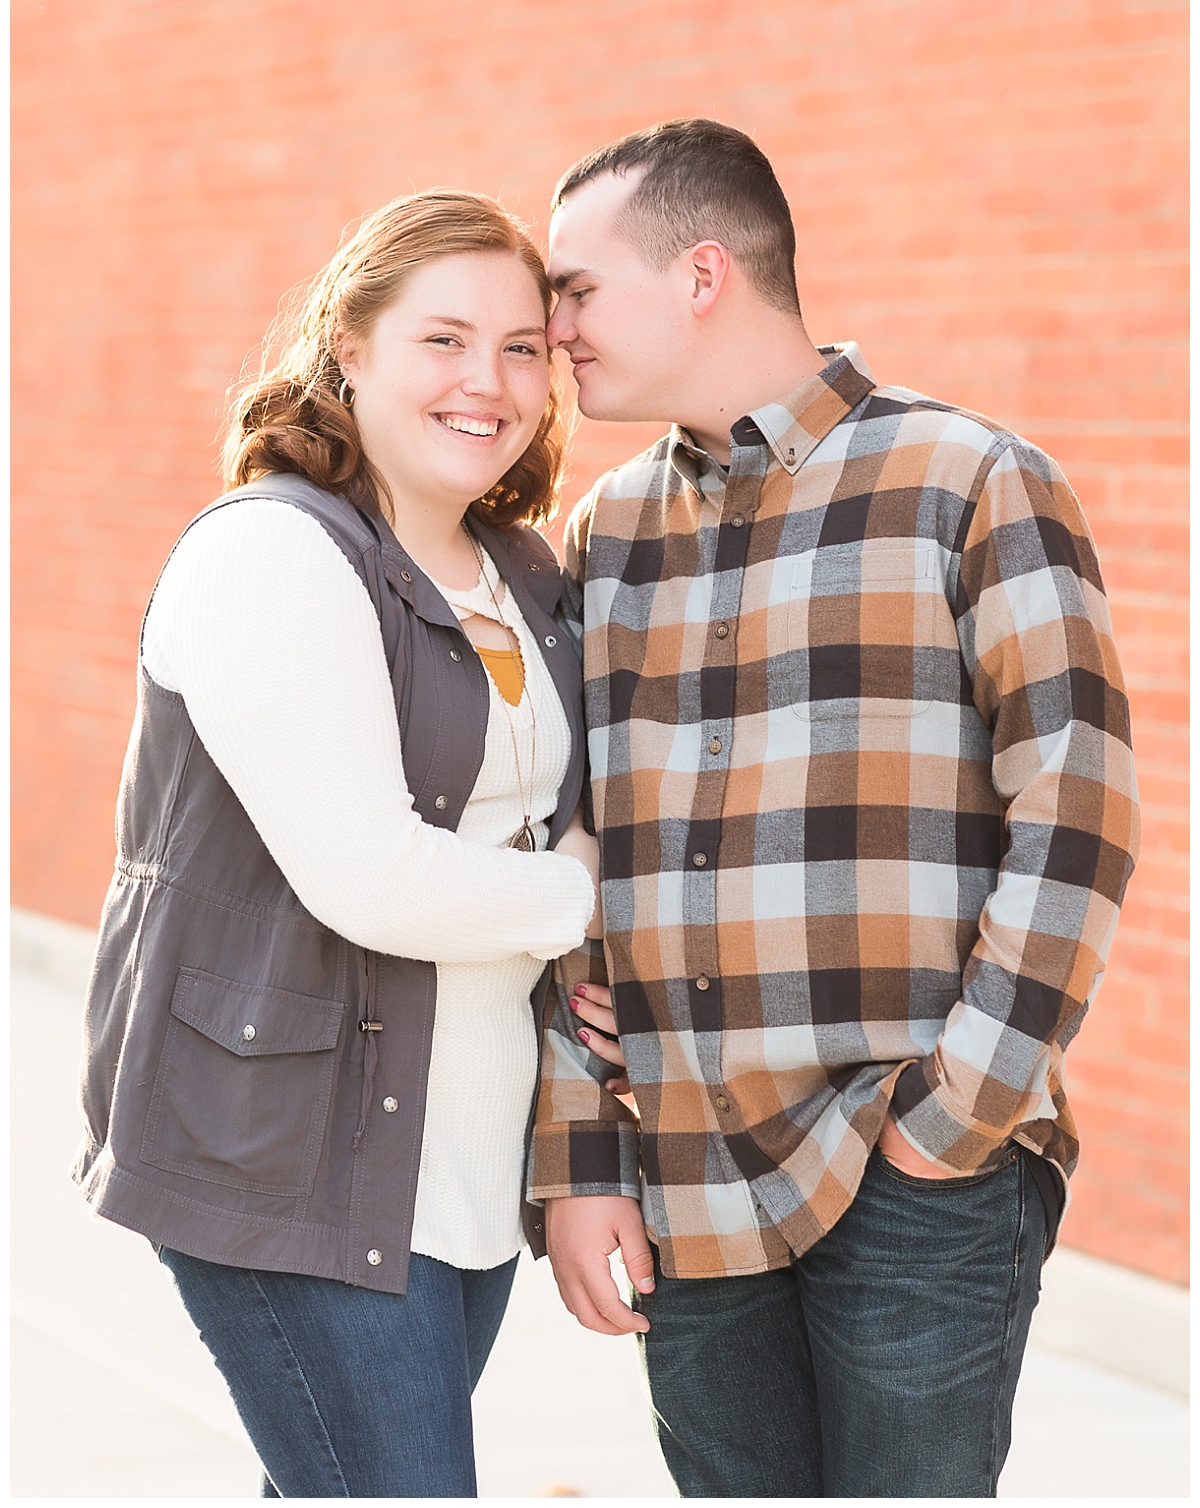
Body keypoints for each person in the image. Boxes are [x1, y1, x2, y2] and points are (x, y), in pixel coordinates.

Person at [530, 119, 1141, 1498]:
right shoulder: (605, 534)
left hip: (914, 1168)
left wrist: (953, 1116)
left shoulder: (974, 482)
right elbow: (572, 866)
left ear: (701, 274)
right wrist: (579, 1158)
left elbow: (1079, 819)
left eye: (574, 288)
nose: (551, 326)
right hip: (687, 1174)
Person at [73, 190, 605, 1499]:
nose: (488, 379)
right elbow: (375, 879)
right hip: (295, 1151)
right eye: (443, 339)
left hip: (470, 1156)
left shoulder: (523, 573)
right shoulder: (272, 555)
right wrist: (589, 892)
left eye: (522, 346)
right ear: (349, 346)